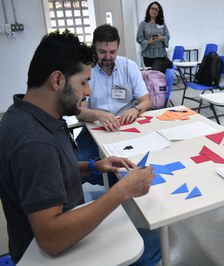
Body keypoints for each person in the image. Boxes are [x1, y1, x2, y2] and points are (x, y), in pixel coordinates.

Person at [0, 30, 160, 265]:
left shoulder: (25, 114)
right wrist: (122, 190)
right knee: (153, 244)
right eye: (83, 82)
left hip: (57, 215)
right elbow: (52, 239)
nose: (88, 91)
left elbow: (51, 173)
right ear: (57, 80)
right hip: (46, 249)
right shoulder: (34, 143)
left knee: (123, 212)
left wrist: (93, 165)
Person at [75, 24, 152, 186]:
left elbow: (146, 101)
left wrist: (136, 109)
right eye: (102, 52)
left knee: (145, 160)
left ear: (118, 48)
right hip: (94, 129)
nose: (108, 57)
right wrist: (97, 114)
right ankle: (117, 189)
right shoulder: (87, 69)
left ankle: (123, 186)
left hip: (126, 127)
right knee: (79, 165)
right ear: (94, 48)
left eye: (112, 52)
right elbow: (79, 111)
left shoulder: (129, 66)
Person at [136, 1, 171, 68]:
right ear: (149, 10)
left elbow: (167, 36)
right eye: (152, 8)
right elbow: (139, 38)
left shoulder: (162, 23)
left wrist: (162, 38)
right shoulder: (143, 24)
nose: (154, 11)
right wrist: (148, 42)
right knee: (151, 77)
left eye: (156, 10)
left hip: (161, 55)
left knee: (161, 77)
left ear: (158, 12)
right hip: (148, 56)